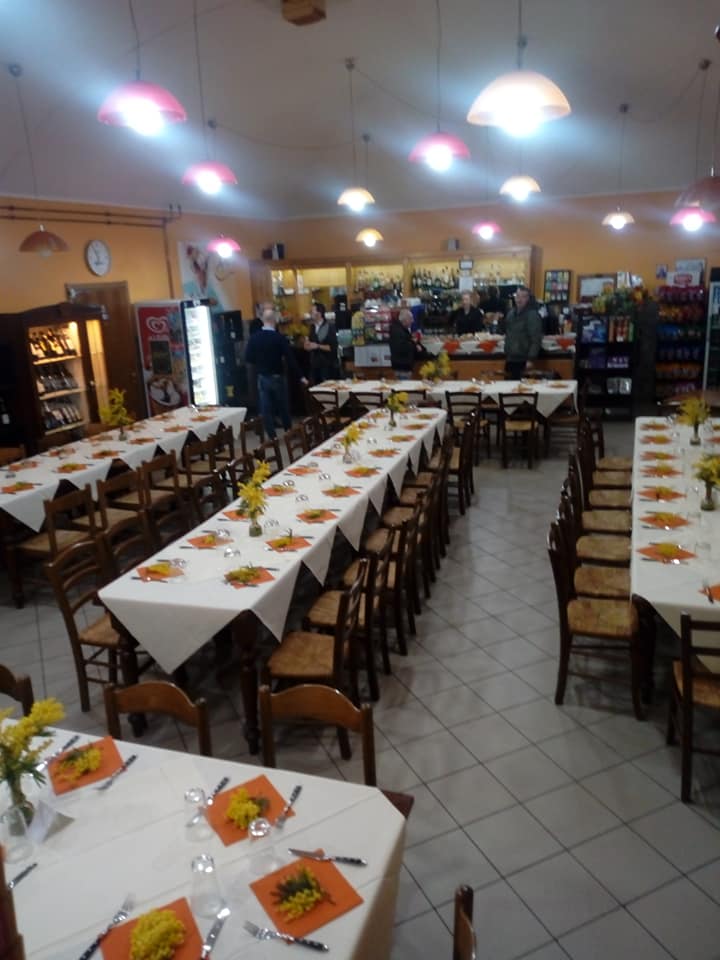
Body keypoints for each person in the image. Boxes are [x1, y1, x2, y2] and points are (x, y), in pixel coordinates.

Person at [245, 308, 308, 439]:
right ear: (274, 320)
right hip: (278, 376)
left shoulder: (254, 338)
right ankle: (288, 431)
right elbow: (290, 359)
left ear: (263, 320)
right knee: (283, 406)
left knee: (266, 408)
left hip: (262, 377)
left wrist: (260, 363)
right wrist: (301, 376)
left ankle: (272, 436)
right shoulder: (279, 338)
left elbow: (248, 358)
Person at [503, 286, 543, 380]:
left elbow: (536, 339)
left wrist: (531, 359)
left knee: (522, 388)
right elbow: (508, 334)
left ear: (528, 299)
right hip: (510, 358)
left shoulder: (532, 315)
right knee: (508, 387)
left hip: (524, 360)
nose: (519, 299)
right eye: (517, 296)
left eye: (523, 296)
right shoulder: (511, 314)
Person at [305, 302, 338, 384]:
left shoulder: (329, 327)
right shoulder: (312, 327)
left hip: (327, 365)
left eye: (312, 311)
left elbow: (333, 348)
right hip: (315, 366)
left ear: (319, 314)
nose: (310, 313)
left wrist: (317, 346)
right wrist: (307, 345)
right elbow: (309, 345)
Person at [389, 308, 428, 377]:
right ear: (405, 319)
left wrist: (414, 343)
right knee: (404, 382)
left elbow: (406, 342)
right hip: (402, 366)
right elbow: (401, 347)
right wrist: (415, 346)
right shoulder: (397, 331)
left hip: (403, 364)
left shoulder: (400, 328)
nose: (412, 321)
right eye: (411, 318)